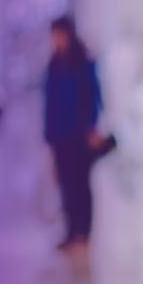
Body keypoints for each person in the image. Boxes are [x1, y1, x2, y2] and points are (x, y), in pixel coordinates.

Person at [41, 17, 107, 251]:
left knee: (81, 184)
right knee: (66, 184)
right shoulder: (53, 64)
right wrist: (48, 135)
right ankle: (71, 231)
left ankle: (84, 232)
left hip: (79, 134)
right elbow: (49, 102)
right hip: (59, 134)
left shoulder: (83, 62)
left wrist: (91, 127)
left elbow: (93, 97)